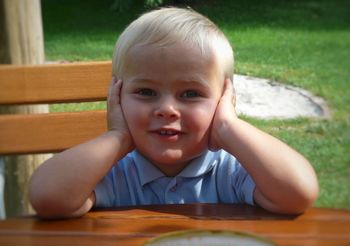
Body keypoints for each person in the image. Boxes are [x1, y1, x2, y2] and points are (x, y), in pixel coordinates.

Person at [29, 7, 318, 218]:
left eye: (190, 94)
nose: (166, 109)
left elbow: (298, 194)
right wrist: (117, 137)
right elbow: (47, 198)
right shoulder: (114, 171)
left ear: (223, 101)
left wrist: (229, 128)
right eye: (146, 92)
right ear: (117, 98)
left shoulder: (230, 169)